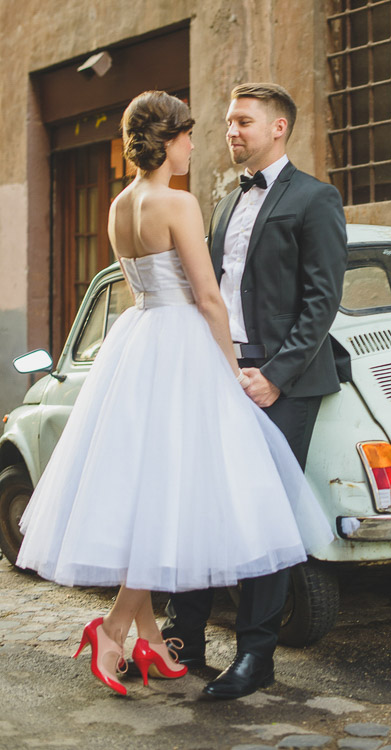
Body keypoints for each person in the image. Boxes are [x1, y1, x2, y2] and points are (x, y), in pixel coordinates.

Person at [16, 90, 333, 697]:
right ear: (168, 141)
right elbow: (210, 299)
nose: (209, 140)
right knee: (180, 495)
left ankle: (166, 643)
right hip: (192, 350)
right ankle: (124, 631)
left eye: (240, 122)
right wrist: (221, 369)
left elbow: (144, 291)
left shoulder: (117, 206)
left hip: (145, 343)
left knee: (161, 494)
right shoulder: (185, 203)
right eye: (194, 134)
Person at [161, 83, 348, 700]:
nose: (231, 131)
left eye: (244, 121)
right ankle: (182, 638)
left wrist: (275, 376)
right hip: (221, 372)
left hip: (285, 382)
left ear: (279, 128)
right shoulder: (222, 203)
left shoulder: (316, 199)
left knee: (265, 513)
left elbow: (322, 304)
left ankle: (256, 654)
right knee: (202, 502)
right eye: (228, 123)